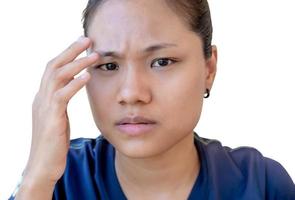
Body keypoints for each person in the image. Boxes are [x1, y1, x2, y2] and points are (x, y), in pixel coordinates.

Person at [10, 0, 295, 199]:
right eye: (109, 66)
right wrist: (36, 178)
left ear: (209, 68)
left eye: (162, 62)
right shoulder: (59, 182)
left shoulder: (261, 185)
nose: (132, 93)